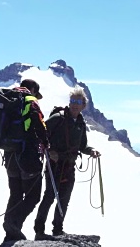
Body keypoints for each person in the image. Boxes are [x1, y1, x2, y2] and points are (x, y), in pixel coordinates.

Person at [33, 86, 101, 241]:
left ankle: (57, 230)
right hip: (54, 164)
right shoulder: (58, 118)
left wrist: (91, 151)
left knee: (64, 199)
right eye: (73, 100)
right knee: (49, 196)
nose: (75, 104)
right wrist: (49, 151)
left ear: (84, 105)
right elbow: (39, 133)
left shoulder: (81, 123)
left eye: (78, 101)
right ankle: (39, 231)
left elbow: (82, 146)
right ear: (69, 103)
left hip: (69, 166)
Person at [2, 79, 50, 243]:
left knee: (15, 194)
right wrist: (46, 143)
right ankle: (13, 224)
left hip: (9, 155)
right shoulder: (30, 101)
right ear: (33, 90)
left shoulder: (8, 99)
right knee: (33, 196)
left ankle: (10, 232)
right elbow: (39, 125)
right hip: (27, 156)